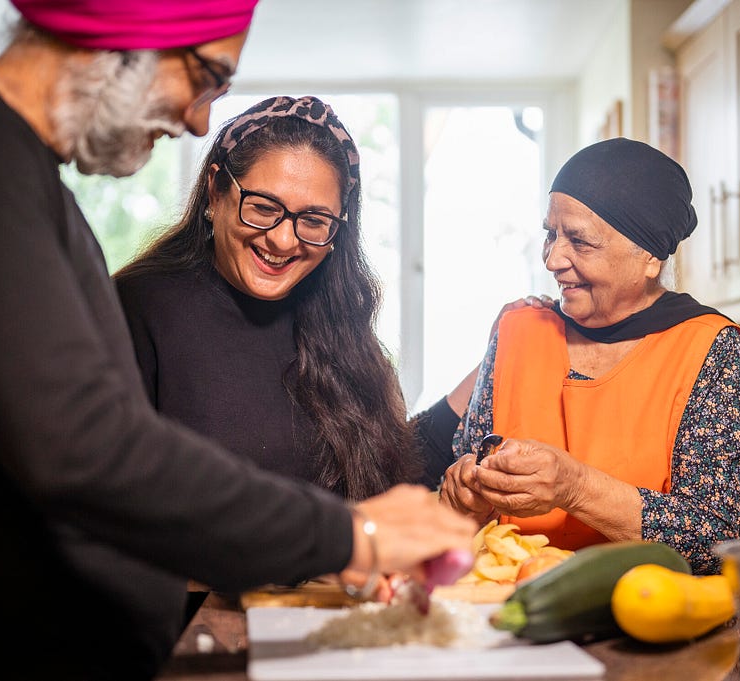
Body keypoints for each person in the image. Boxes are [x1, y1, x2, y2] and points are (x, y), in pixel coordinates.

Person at [0, 2, 476, 679]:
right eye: (205, 75)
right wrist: (350, 534)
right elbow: (85, 446)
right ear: (127, 26)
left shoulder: (19, 171)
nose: (197, 119)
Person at [114, 94, 475, 499]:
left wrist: (492, 363)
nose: (284, 240)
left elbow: (391, 479)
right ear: (216, 192)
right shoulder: (136, 308)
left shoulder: (339, 327)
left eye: (314, 220)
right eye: (265, 207)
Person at [440, 138, 740, 575]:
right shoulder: (517, 331)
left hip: (659, 624)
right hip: (513, 617)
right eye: (550, 234)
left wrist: (573, 487)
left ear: (649, 257)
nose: (553, 259)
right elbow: (461, 503)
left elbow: (718, 539)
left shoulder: (709, 349)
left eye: (579, 240)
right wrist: (462, 496)